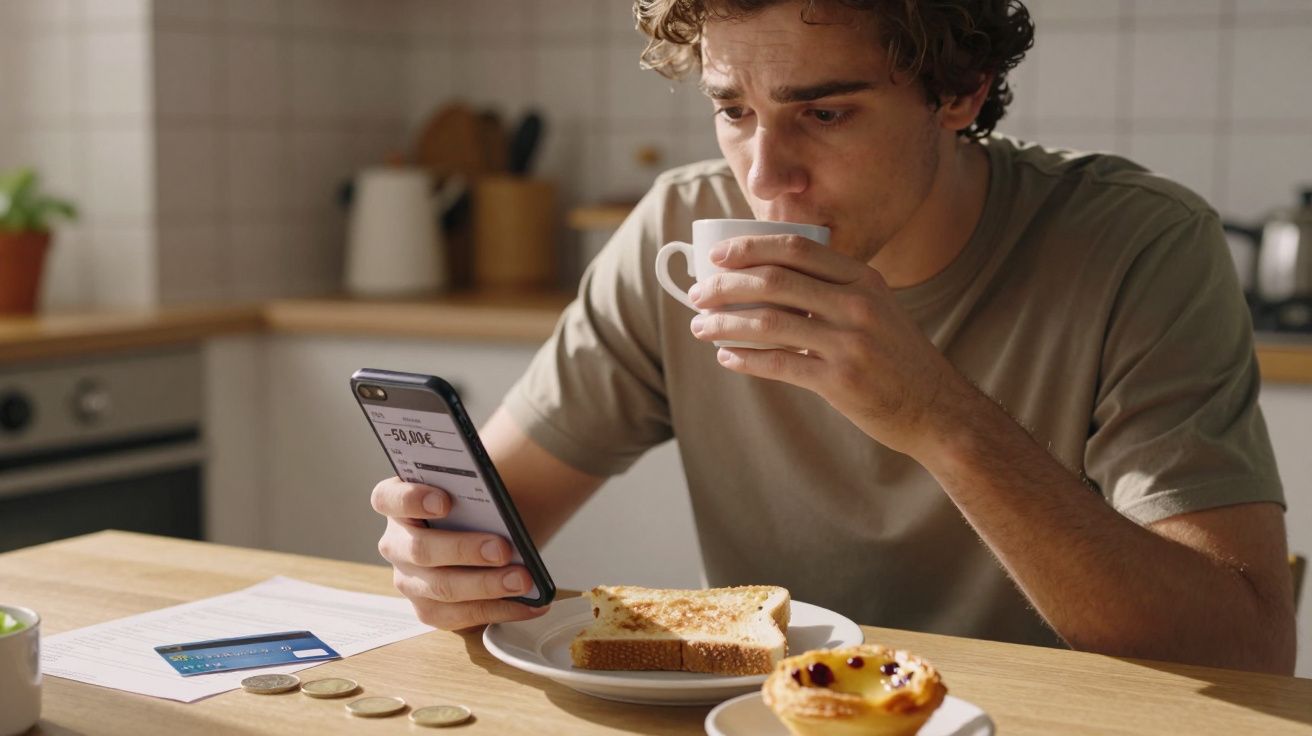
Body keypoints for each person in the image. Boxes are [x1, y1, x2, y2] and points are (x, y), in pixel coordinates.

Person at [371, 0, 1296, 674]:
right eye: (734, 111)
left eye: (824, 112)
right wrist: (442, 561)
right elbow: (493, 518)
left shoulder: (1139, 243)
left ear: (960, 93)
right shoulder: (677, 229)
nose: (766, 179)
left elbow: (1244, 645)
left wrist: (937, 416)